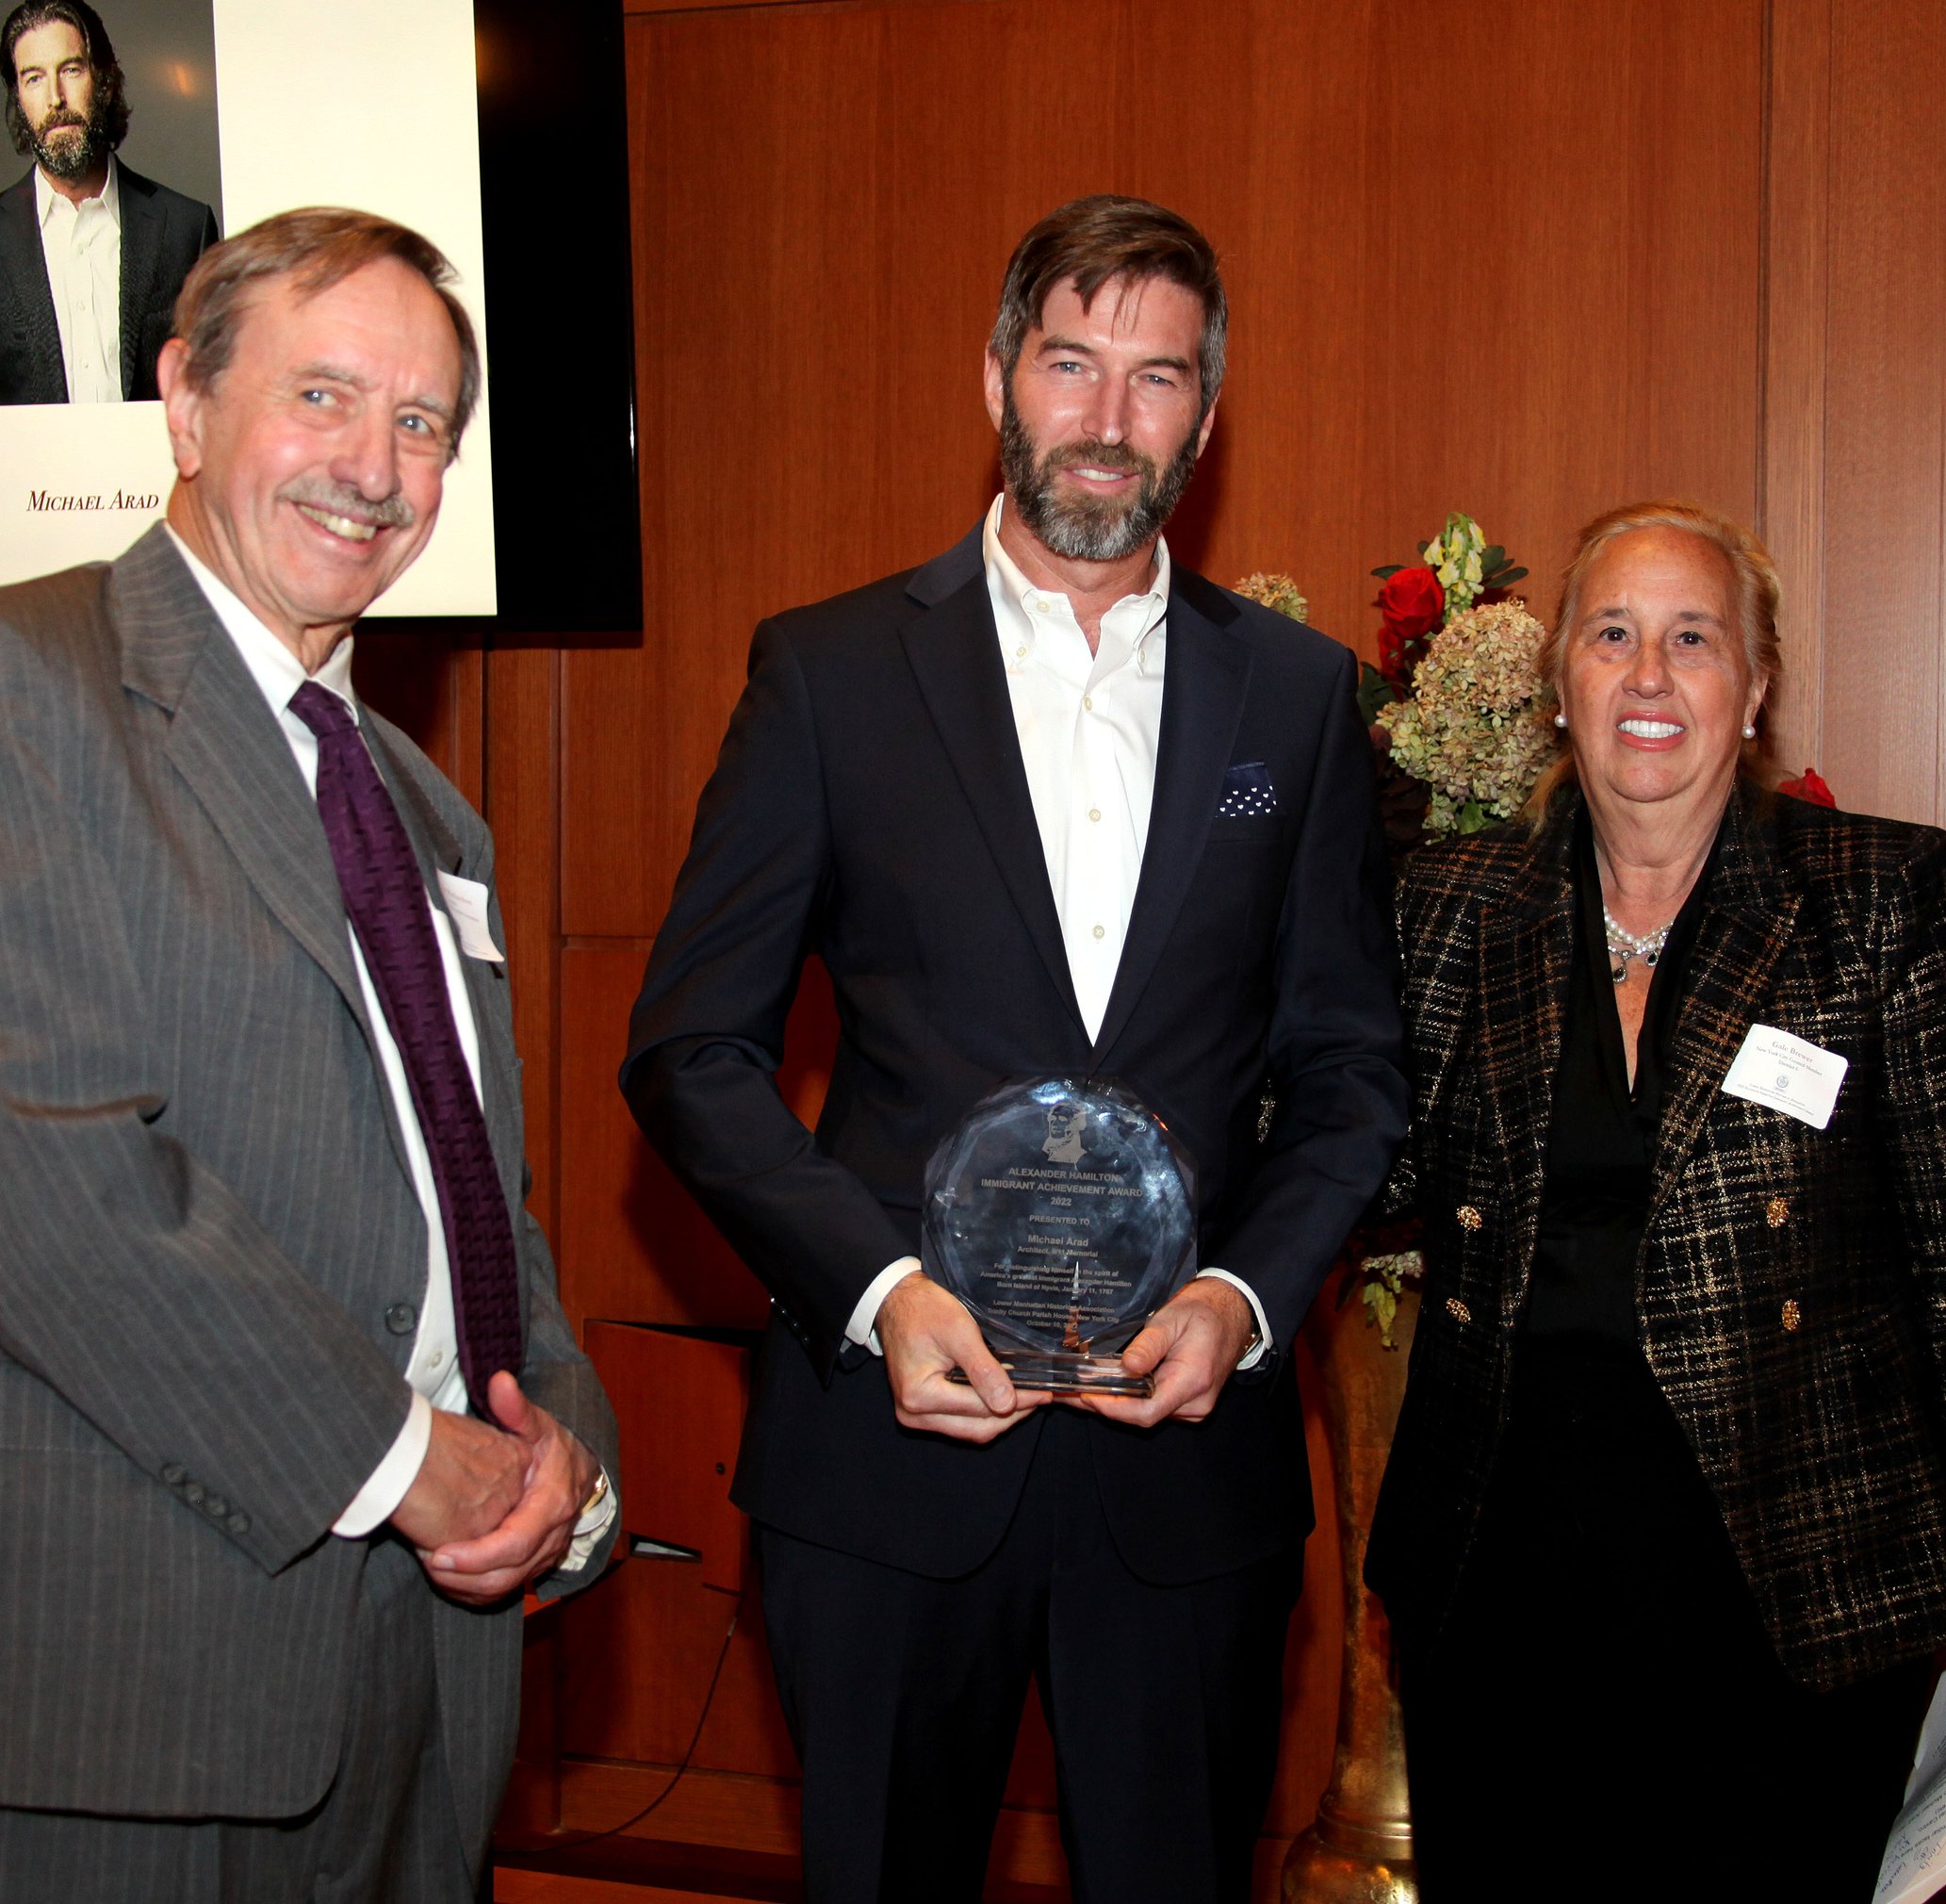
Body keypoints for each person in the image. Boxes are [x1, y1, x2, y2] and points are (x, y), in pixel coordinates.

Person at [622, 194, 1406, 1903]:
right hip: (891, 1458)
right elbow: (692, 1046)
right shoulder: (828, 676)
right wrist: (879, 1293)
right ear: (996, 375)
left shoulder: (1297, 700)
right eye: (1071, 363)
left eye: (1159, 378)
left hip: (1187, 1478)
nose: (1110, 421)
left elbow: (1352, 1069)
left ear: (1208, 411)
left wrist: (1247, 1298)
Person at [0, 206, 618, 1904]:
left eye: (422, 426)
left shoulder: (428, 806)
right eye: (324, 397)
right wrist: (418, 1467)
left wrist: (557, 1461)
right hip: (127, 1680)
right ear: (187, 403)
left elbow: (485, 1211)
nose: (377, 465)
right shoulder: (1, 679)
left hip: (423, 1686)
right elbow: (48, 1181)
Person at [1365, 501, 1946, 1900]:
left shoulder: (1876, 900)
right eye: (1614, 635)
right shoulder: (1454, 902)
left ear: (1754, 688)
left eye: (1693, 638)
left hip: (1793, 1583)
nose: (1650, 676)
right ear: (1560, 683)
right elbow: (1370, 1168)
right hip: (1504, 1572)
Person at [0, 1, 219, 406]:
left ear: (104, 81)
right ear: (18, 97)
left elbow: (210, 402)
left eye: (71, 70)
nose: (55, 98)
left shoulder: (186, 228)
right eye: (34, 78)